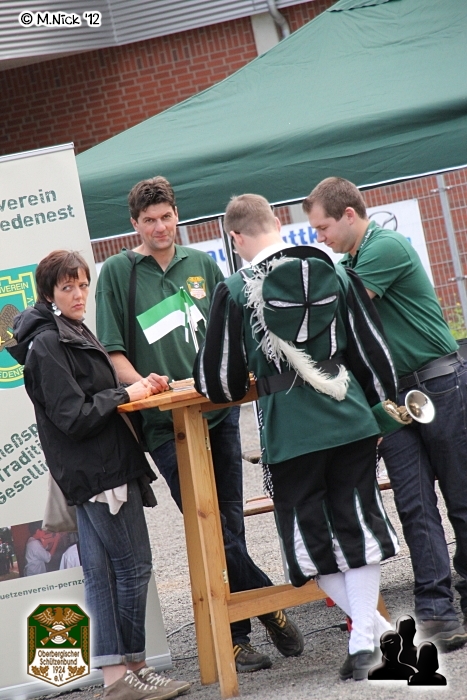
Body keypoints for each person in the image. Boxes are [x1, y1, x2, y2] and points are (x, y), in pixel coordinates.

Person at [96, 176, 304, 672]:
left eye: (166, 217)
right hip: (165, 425)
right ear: (134, 224)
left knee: (229, 524)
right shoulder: (118, 272)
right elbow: (112, 352)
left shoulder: (203, 265)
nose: (160, 227)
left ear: (177, 216)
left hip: (220, 414)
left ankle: (239, 636)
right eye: (149, 220)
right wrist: (144, 384)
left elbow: (230, 334)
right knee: (205, 522)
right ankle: (266, 602)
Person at [193, 193, 402, 681]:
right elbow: (374, 351)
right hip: (351, 417)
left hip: (290, 431)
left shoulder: (235, 289)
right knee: (359, 525)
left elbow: (219, 383)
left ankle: (365, 638)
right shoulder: (336, 271)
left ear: (236, 237)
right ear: (277, 223)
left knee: (311, 543)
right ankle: (369, 636)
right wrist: (380, 413)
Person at [8, 250, 190, 700]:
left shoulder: (68, 330)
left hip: (98, 468)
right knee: (133, 568)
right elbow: (73, 416)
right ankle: (135, 668)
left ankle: (117, 679)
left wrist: (132, 388)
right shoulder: (48, 343)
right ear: (48, 293)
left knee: (103, 575)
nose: (78, 294)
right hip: (100, 471)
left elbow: (89, 398)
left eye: (83, 284)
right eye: (67, 287)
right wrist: (126, 393)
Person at [304, 177, 467, 652]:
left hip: (436, 382)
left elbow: (337, 316)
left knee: (459, 497)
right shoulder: (351, 261)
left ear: (349, 215)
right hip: (395, 394)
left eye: (323, 227)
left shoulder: (384, 248)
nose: (319, 237)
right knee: (416, 507)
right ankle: (437, 613)